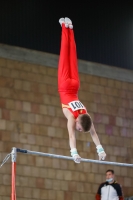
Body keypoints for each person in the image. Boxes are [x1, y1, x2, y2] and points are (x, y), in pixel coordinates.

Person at [58, 17, 106, 163]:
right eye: (79, 128)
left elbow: (93, 133)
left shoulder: (85, 115)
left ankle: (70, 28)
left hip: (75, 85)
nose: (78, 129)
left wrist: (101, 149)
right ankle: (64, 27)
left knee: (72, 57)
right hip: (65, 86)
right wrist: (74, 153)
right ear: (78, 121)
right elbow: (71, 136)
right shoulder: (73, 118)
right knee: (64, 55)